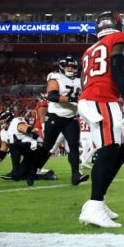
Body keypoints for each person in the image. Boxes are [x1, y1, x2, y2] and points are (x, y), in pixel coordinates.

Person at [77, 11, 124, 227]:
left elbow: (83, 79)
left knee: (122, 150)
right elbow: (116, 66)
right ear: (120, 25)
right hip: (101, 98)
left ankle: (97, 201)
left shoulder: (90, 49)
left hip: (94, 96)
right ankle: (94, 205)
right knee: (108, 149)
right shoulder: (120, 38)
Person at [33, 56, 87, 186]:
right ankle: (33, 169)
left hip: (71, 118)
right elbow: (52, 96)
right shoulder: (55, 77)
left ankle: (76, 175)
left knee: (73, 147)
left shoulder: (80, 81)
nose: (70, 68)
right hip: (56, 116)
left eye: (73, 67)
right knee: (47, 146)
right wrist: (73, 99)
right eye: (68, 66)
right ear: (62, 67)